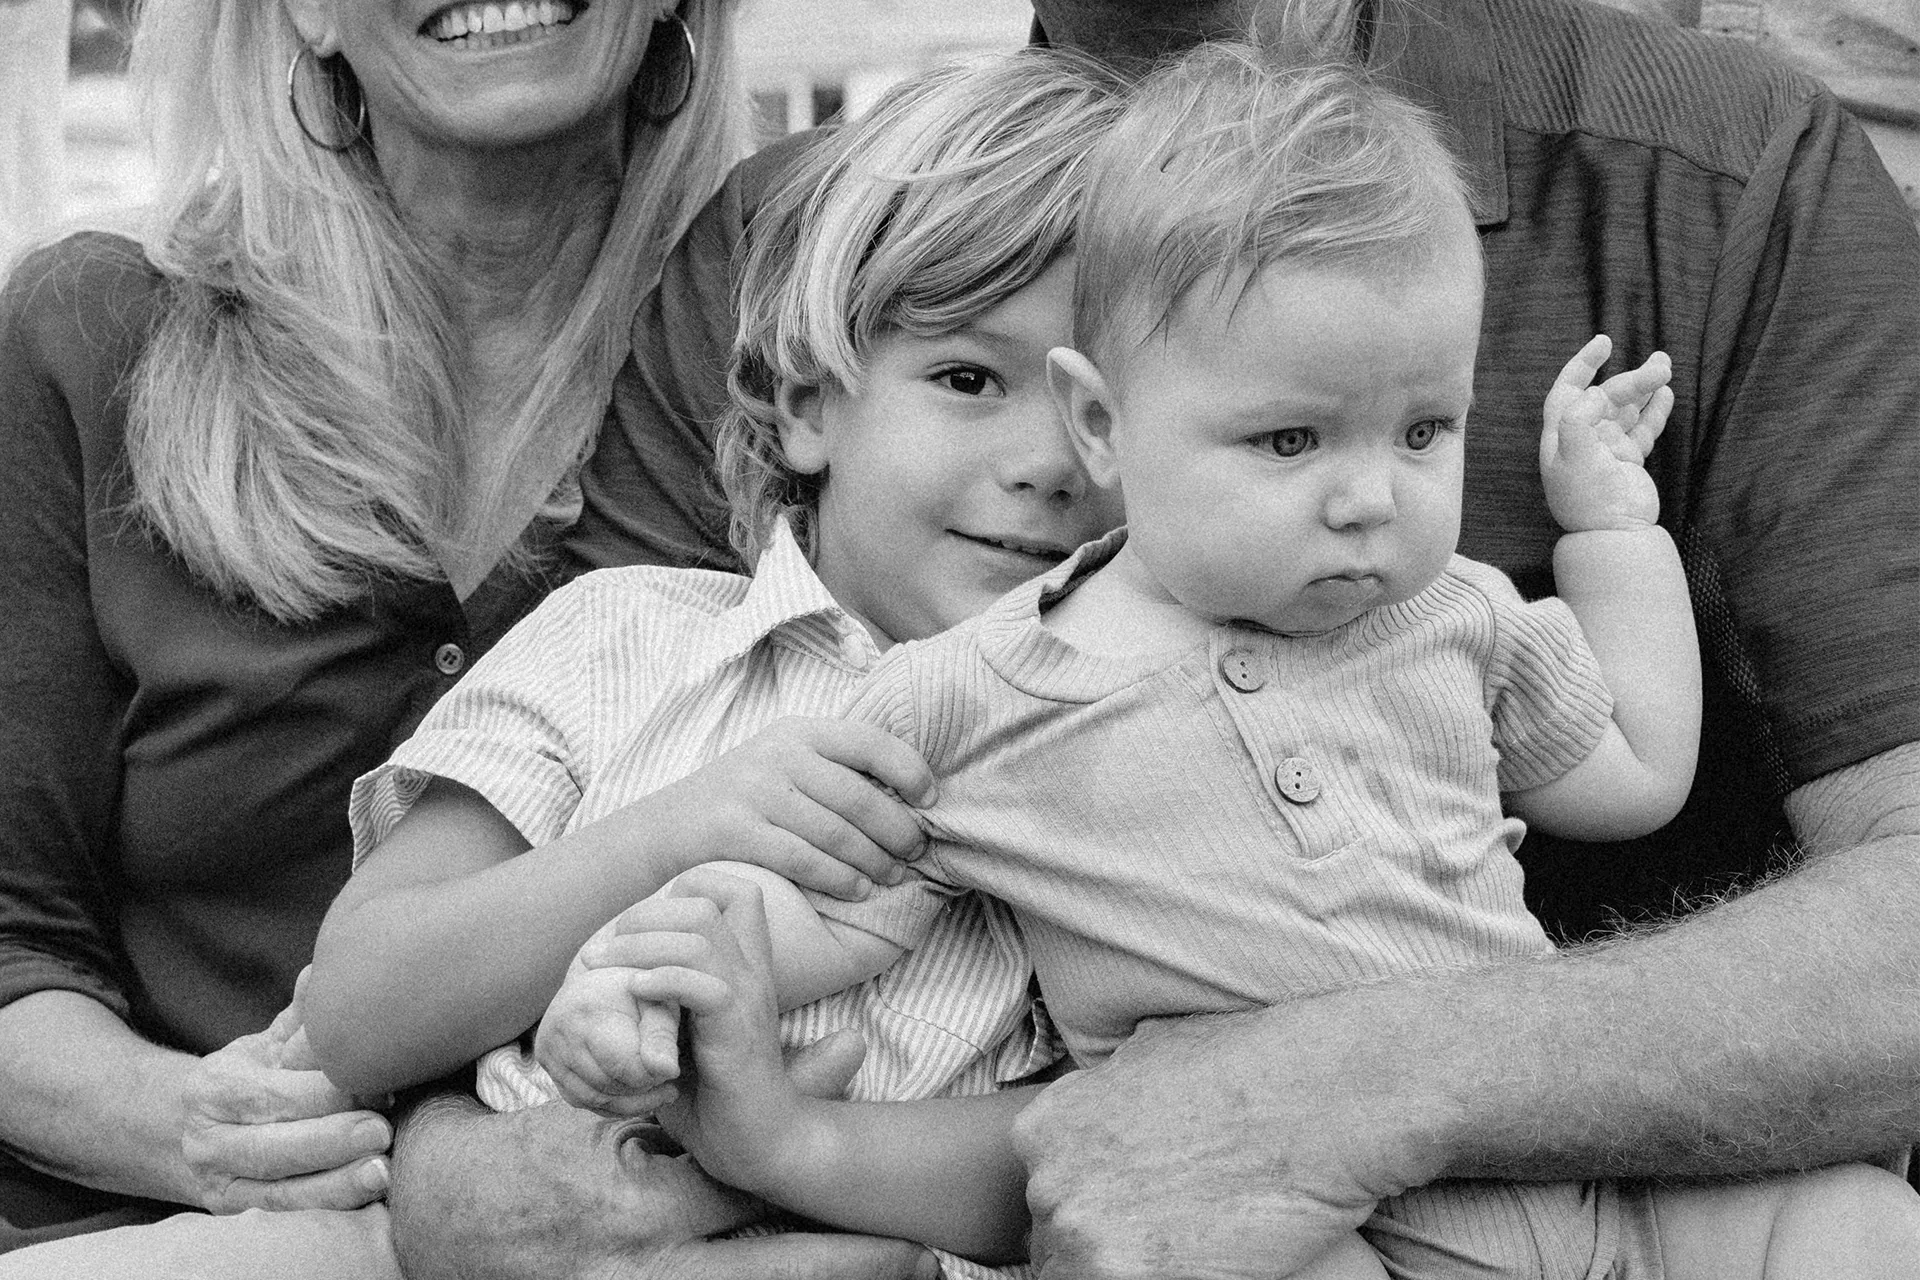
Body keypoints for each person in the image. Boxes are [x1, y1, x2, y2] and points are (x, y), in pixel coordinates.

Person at [370, 0, 1920, 1276]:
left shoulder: (1711, 174)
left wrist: (1609, 532)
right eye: (972, 382)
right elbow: (674, 789)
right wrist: (496, 1149)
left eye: (1429, 430)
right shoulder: (813, 243)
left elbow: (1700, 810)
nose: (1040, 468)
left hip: (1582, 1181)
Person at [0, 49, 1128, 1280]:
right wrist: (675, 832)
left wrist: (800, 1149)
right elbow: (358, 999)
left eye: (1099, 409)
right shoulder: (629, 635)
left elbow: (1115, 1142)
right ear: (805, 404)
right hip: (371, 1215)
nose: (1050, 462)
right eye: (970, 379)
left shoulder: (1141, 749)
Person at [0, 0, 756, 1259]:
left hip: (676, 1226)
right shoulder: (92, 335)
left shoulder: (804, 340)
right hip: (171, 1226)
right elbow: (11, 932)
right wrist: (204, 1129)